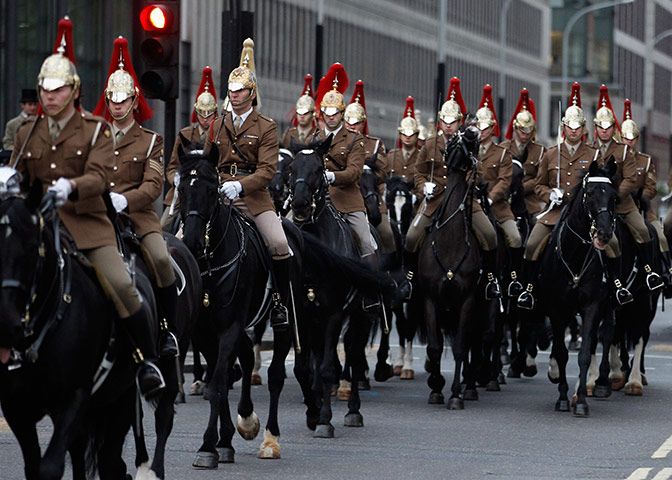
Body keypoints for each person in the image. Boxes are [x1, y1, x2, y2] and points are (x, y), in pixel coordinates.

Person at [11, 22, 164, 400]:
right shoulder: (25, 131)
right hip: (42, 223)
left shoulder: (95, 131)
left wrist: (72, 187)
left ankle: (148, 360)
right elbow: (18, 173)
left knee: (125, 288)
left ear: (74, 91)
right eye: (45, 89)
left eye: (58, 89)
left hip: (85, 223)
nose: (49, 96)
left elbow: (99, 177)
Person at [92, 36, 179, 358]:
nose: (117, 105)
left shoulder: (150, 140)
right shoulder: (94, 136)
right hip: (97, 214)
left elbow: (154, 186)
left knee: (159, 259)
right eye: (112, 99)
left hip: (137, 216)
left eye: (123, 99)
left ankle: (167, 329)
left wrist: (124, 200)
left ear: (133, 101)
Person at [204, 38, 293, 331]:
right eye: (231, 89)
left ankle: (280, 302)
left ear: (251, 93)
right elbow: (207, 161)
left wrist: (241, 186)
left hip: (252, 196)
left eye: (240, 89)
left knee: (279, 243)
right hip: (218, 194)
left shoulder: (266, 126)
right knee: (182, 238)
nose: (234, 93)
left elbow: (268, 170)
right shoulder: (217, 124)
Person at [517, 83, 631, 310]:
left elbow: (603, 184)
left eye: (578, 126)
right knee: (531, 244)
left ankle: (618, 285)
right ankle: (528, 290)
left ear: (584, 129)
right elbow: (539, 186)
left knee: (614, 243)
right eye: (570, 126)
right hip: (556, 212)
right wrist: (551, 193)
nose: (574, 130)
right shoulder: (551, 154)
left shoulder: (594, 154)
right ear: (563, 127)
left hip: (585, 215)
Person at [400, 77, 501, 300]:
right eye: (444, 120)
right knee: (411, 236)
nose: (448, 124)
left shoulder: (469, 144)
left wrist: (469, 179)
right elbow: (418, 171)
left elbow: (481, 173)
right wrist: (422, 186)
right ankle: (408, 279)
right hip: (435, 199)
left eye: (452, 121)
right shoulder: (430, 144)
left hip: (463, 199)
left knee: (490, 234)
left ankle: (491, 281)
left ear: (459, 122)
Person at [591, 85, 662, 292]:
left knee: (642, 230)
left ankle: (650, 271)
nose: (604, 130)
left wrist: (613, 196)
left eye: (608, 126)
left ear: (614, 128)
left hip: (622, 205)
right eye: (600, 126)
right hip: (596, 208)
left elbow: (630, 179)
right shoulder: (589, 150)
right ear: (595, 128)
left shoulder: (623, 151)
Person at [474, 85, 523, 297]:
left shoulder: (503, 153)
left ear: (492, 128)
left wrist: (491, 198)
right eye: (479, 126)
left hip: (498, 207)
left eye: (486, 127)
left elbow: (505, 181)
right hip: (471, 204)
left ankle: (513, 279)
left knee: (515, 238)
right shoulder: (468, 151)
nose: (482, 130)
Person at [621, 99, 672, 295]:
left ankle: (665, 273)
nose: (629, 141)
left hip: (642, 209)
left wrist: (641, 195)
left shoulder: (646, 160)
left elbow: (651, 187)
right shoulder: (613, 159)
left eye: (632, 137)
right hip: (619, 208)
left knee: (660, 234)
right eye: (625, 137)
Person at [162, 66, 219, 231]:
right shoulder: (184, 134)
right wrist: (177, 178)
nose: (205, 119)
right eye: (202, 114)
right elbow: (172, 167)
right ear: (196, 113)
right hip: (186, 190)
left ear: (215, 114)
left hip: (209, 189)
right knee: (163, 227)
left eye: (209, 114)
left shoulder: (221, 134)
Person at [343, 80, 394, 256]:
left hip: (371, 198)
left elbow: (382, 172)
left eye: (355, 123)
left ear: (363, 124)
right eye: (348, 122)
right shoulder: (339, 143)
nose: (351, 126)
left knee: (387, 234)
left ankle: (389, 272)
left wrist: (360, 168)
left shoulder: (374, 144)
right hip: (345, 195)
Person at [499, 88, 545, 219]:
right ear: (515, 128)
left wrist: (522, 188)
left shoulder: (540, 150)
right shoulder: (504, 148)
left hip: (530, 202)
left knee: (540, 228)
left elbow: (541, 178)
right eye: (522, 131)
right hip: (506, 201)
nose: (525, 135)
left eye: (529, 131)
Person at [281, 74, 316, 148]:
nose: (302, 116)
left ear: (313, 114)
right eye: (299, 113)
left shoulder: (316, 135)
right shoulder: (288, 134)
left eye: (306, 113)